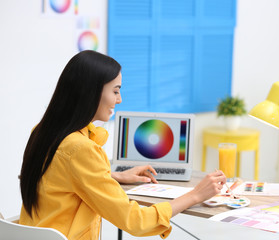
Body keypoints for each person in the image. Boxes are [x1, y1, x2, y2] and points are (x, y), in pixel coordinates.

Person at [19, 50, 226, 240]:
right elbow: (135, 221)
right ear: (90, 92)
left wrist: (116, 176)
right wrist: (195, 195)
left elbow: (60, 179)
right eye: (115, 91)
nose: (119, 99)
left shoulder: (42, 131)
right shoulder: (80, 149)